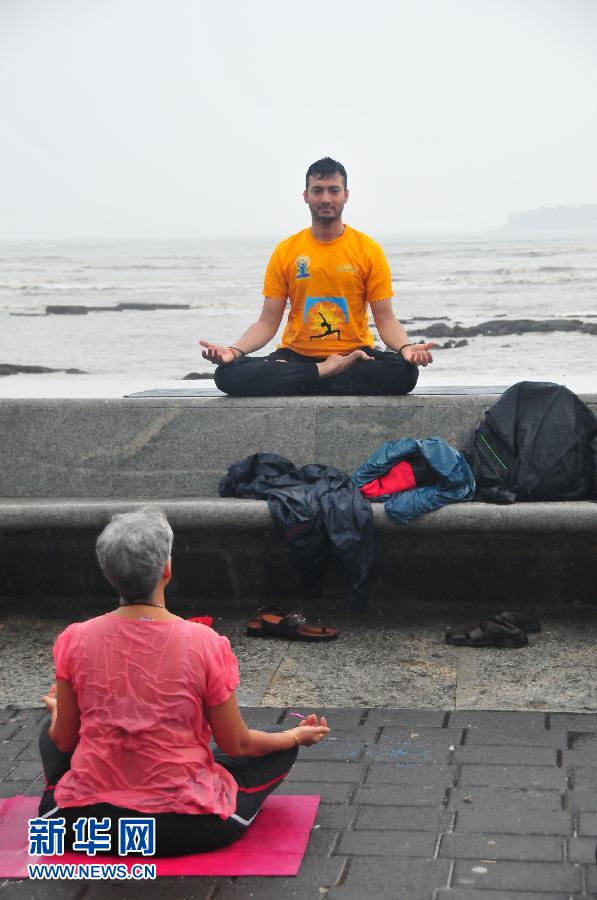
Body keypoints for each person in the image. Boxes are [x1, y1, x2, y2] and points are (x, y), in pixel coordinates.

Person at [37, 507, 329, 856]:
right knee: (275, 750)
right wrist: (294, 735)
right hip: (184, 825)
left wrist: (59, 711)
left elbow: (65, 739)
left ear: (109, 573)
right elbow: (238, 744)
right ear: (166, 570)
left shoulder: (76, 638)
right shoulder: (204, 642)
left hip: (86, 823)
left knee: (49, 733)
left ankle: (75, 794)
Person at [200, 157, 435, 396]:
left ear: (346, 195)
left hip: (355, 355)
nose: (325, 199)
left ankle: (307, 379)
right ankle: (322, 371)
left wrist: (406, 349)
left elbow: (385, 320)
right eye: (318, 191)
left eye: (334, 191)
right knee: (227, 374)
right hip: (297, 356)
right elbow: (267, 322)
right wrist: (234, 351)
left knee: (403, 373)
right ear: (306, 196)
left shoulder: (368, 250)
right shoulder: (287, 251)